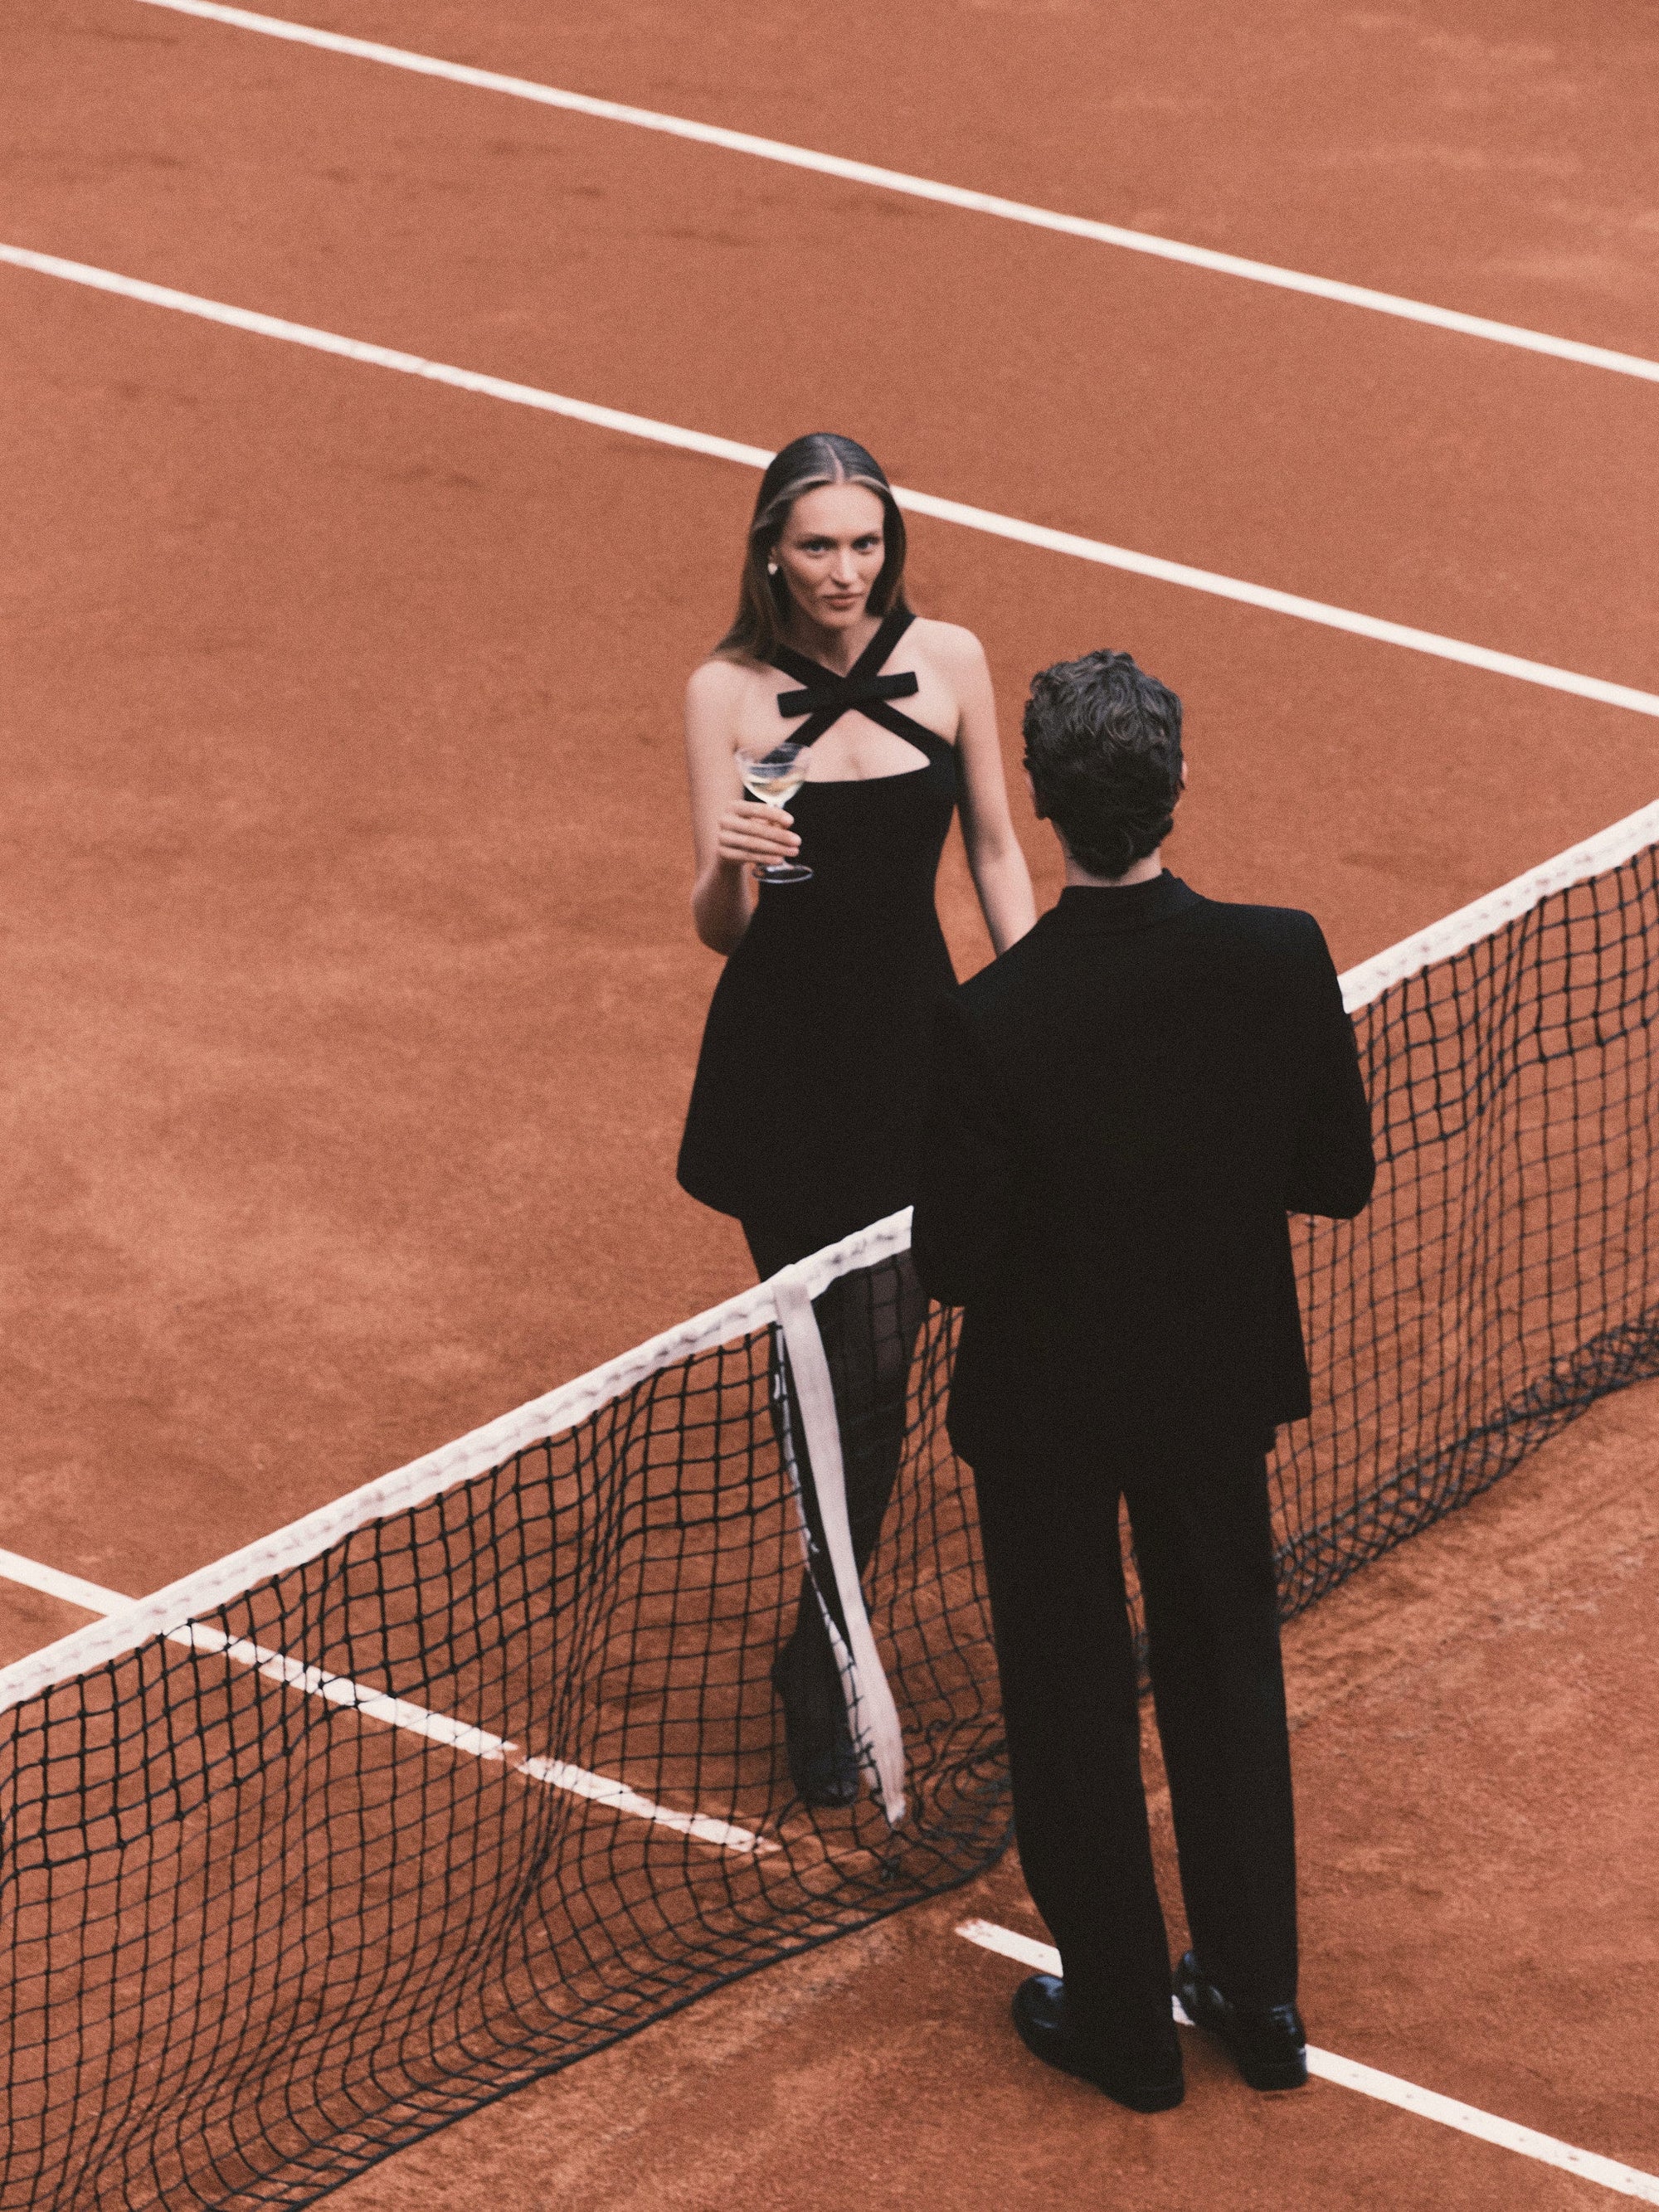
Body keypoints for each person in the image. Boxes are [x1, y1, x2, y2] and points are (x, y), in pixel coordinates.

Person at [910, 649, 1374, 2111]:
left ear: (1042, 805)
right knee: (1226, 1671)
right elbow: (1337, 1178)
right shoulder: (1281, 954)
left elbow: (958, 1268)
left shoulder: (992, 1021)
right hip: (1214, 1386)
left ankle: (1121, 2021)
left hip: (1049, 1409)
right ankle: (1258, 1997)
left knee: (1069, 1696)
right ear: (1175, 785)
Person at [677, 432, 1036, 1809]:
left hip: (917, 1059)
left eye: (867, 544)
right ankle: (828, 1662)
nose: (846, 571)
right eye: (820, 545)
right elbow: (722, 931)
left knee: (885, 1372)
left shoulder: (950, 659)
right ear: (772, 549)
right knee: (841, 1381)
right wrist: (733, 867)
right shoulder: (725, 693)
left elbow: (998, 849)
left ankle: (809, 1647)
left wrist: (1037, 1005)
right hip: (785, 1080)